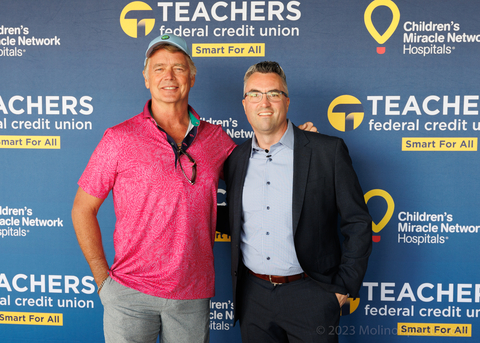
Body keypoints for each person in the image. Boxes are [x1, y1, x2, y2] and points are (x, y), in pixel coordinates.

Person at [71, 34, 236, 343]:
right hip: (128, 295)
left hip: (192, 296)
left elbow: (259, 172)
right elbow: (83, 208)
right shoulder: (119, 138)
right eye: (159, 68)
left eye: (178, 67)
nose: (168, 76)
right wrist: (102, 281)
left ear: (192, 76)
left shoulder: (216, 139)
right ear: (146, 77)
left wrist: (298, 144)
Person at [222, 61, 373, 342]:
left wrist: (343, 286)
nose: (264, 102)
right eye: (254, 94)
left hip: (312, 295)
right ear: (244, 104)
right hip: (253, 297)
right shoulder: (234, 160)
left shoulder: (326, 151)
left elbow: (358, 222)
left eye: (274, 94)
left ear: (287, 101)